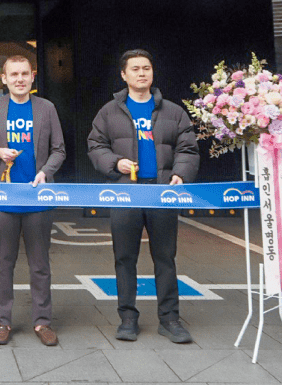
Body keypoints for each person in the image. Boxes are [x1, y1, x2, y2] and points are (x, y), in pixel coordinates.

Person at [87, 48, 200, 344]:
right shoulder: (109, 112)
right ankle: (127, 318)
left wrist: (180, 174)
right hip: (126, 193)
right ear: (123, 75)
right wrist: (115, 163)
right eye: (135, 69)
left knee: (165, 257)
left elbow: (187, 148)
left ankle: (170, 319)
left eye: (146, 68)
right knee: (125, 258)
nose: (141, 73)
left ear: (152, 73)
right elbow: (95, 146)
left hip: (162, 192)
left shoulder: (173, 112)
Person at [0, 54, 66, 347]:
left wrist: (45, 171)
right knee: (3, 263)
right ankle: (3, 320)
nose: (19, 79)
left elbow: (59, 150)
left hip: (37, 196)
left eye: (24, 73)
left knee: (40, 264)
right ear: (4, 79)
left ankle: (42, 321)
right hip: (3, 197)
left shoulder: (47, 108)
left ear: (32, 76)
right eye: (13, 74)